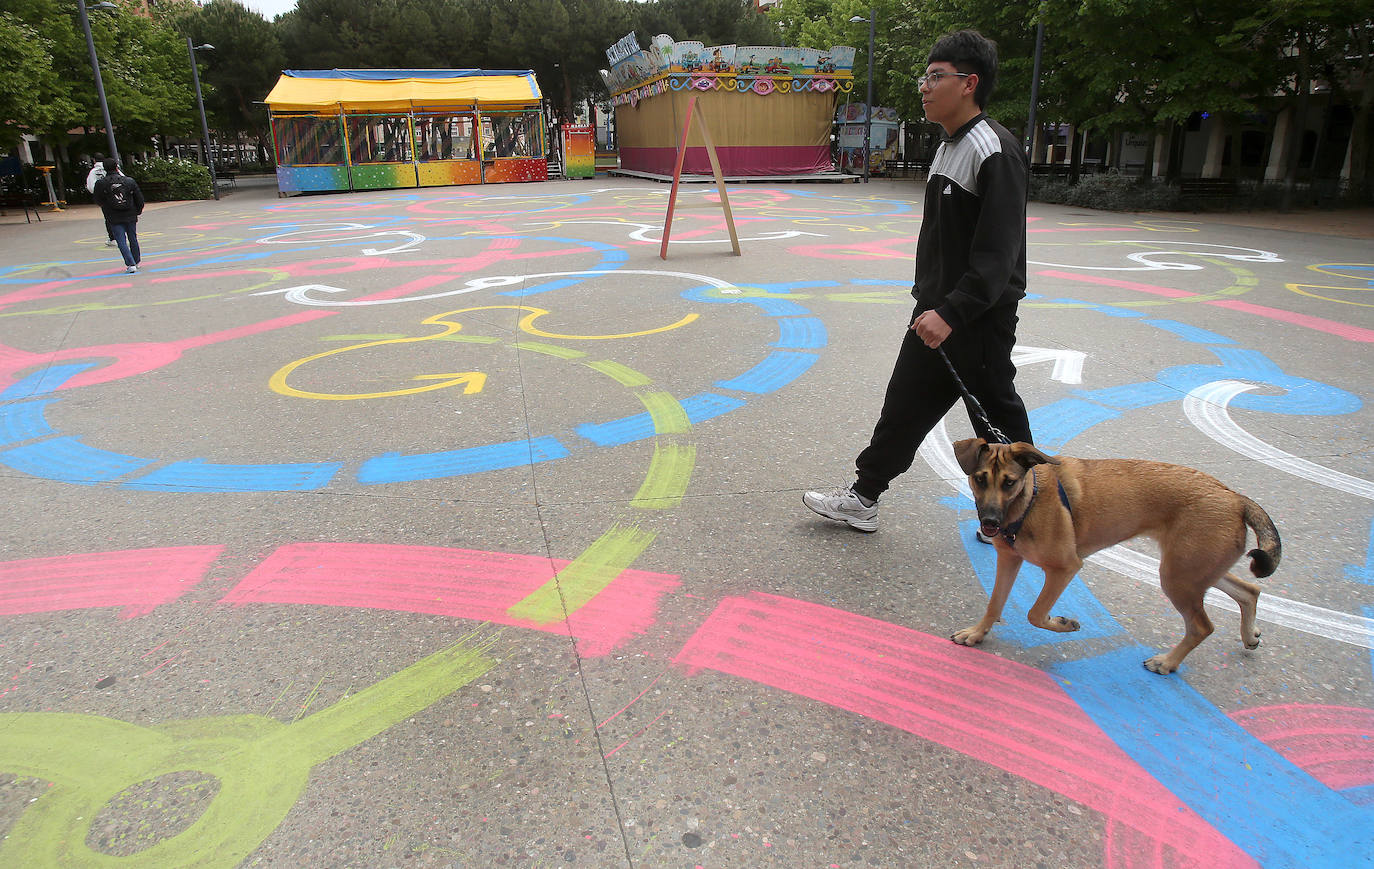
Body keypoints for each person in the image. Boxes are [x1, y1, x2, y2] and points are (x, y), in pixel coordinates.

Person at [803, 29, 1033, 533]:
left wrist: (953, 311)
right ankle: (864, 497)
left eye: (935, 76)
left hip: (974, 320)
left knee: (999, 424)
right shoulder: (950, 146)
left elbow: (999, 254)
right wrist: (930, 303)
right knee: (904, 406)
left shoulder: (994, 150)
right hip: (936, 311)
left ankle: (1032, 517)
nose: (924, 87)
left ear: (969, 83)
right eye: (925, 77)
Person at [91, 159, 145, 275]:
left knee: (121, 240)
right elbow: (139, 198)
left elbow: (97, 200)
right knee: (133, 237)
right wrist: (138, 210)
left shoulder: (101, 183)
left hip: (113, 215)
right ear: (117, 167)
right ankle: (136, 260)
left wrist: (106, 206)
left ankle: (130, 264)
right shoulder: (129, 181)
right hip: (130, 213)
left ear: (105, 169)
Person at [85, 157, 116, 247]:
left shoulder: (94, 172)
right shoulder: (114, 169)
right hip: (118, 195)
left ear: (94, 160)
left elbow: (91, 186)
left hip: (105, 198)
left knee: (109, 218)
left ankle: (113, 238)